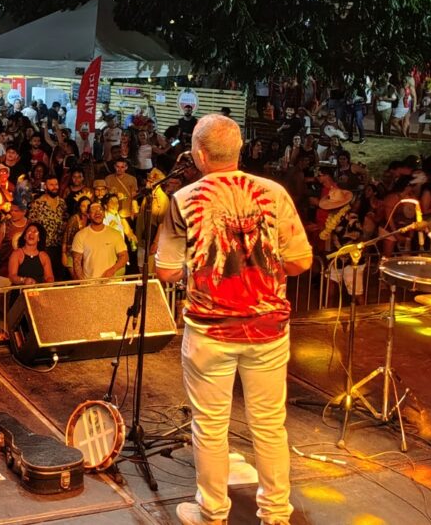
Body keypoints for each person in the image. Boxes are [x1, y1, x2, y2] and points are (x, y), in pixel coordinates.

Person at [155, 114, 312, 525]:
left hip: (210, 332)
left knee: (210, 426)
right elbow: (300, 261)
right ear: (239, 149)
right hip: (268, 329)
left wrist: (199, 268)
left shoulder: (183, 200)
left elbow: (166, 271)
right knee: (270, 425)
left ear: (199, 154)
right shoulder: (274, 194)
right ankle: (275, 513)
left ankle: (212, 513)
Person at [70, 200, 128, 280]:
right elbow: (76, 263)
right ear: (88, 215)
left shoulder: (115, 234)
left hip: (111, 283)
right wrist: (83, 282)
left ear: (104, 214)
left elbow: (124, 256)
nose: (97, 213)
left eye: (100, 210)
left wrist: (112, 270)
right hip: (90, 283)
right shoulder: (80, 235)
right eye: (93, 210)